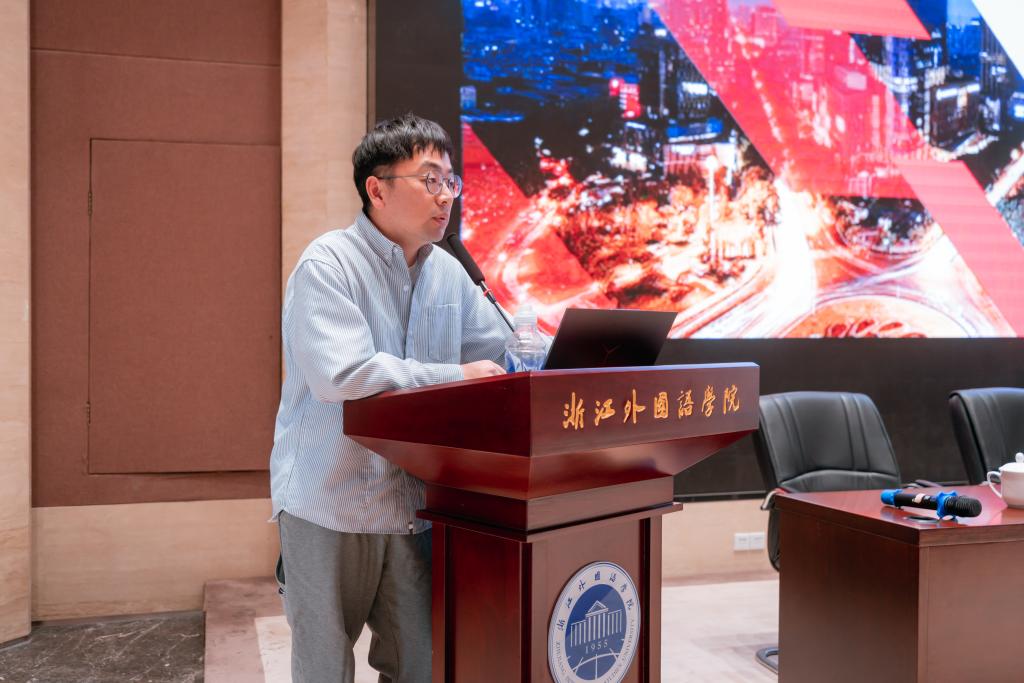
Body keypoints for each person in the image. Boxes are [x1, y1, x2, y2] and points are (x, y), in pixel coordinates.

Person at [270, 113, 512, 683]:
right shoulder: (328, 264)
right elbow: (345, 375)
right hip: (329, 501)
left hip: (412, 506)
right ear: (376, 189)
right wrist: (456, 376)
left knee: (420, 667)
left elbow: (497, 356)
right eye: (429, 179)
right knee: (324, 668)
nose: (445, 196)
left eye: (450, 181)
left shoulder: (449, 272)